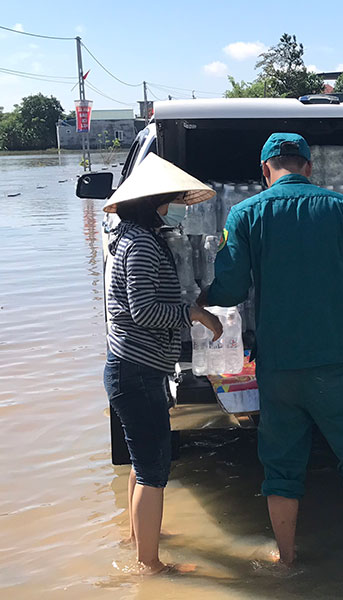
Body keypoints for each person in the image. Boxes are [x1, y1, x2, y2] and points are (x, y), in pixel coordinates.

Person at [199, 133, 343, 566]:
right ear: (309, 167)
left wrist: (200, 300)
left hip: (280, 366)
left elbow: (230, 289)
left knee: (282, 468)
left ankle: (285, 561)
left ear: (265, 170)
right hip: (338, 361)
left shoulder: (245, 213)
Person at [102, 154, 223, 574]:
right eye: (169, 201)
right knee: (154, 468)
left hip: (131, 367)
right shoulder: (140, 244)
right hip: (136, 370)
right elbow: (144, 311)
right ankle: (150, 565)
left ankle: (139, 537)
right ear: (154, 203)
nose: (172, 208)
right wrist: (194, 313)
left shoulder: (128, 238)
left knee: (142, 463)